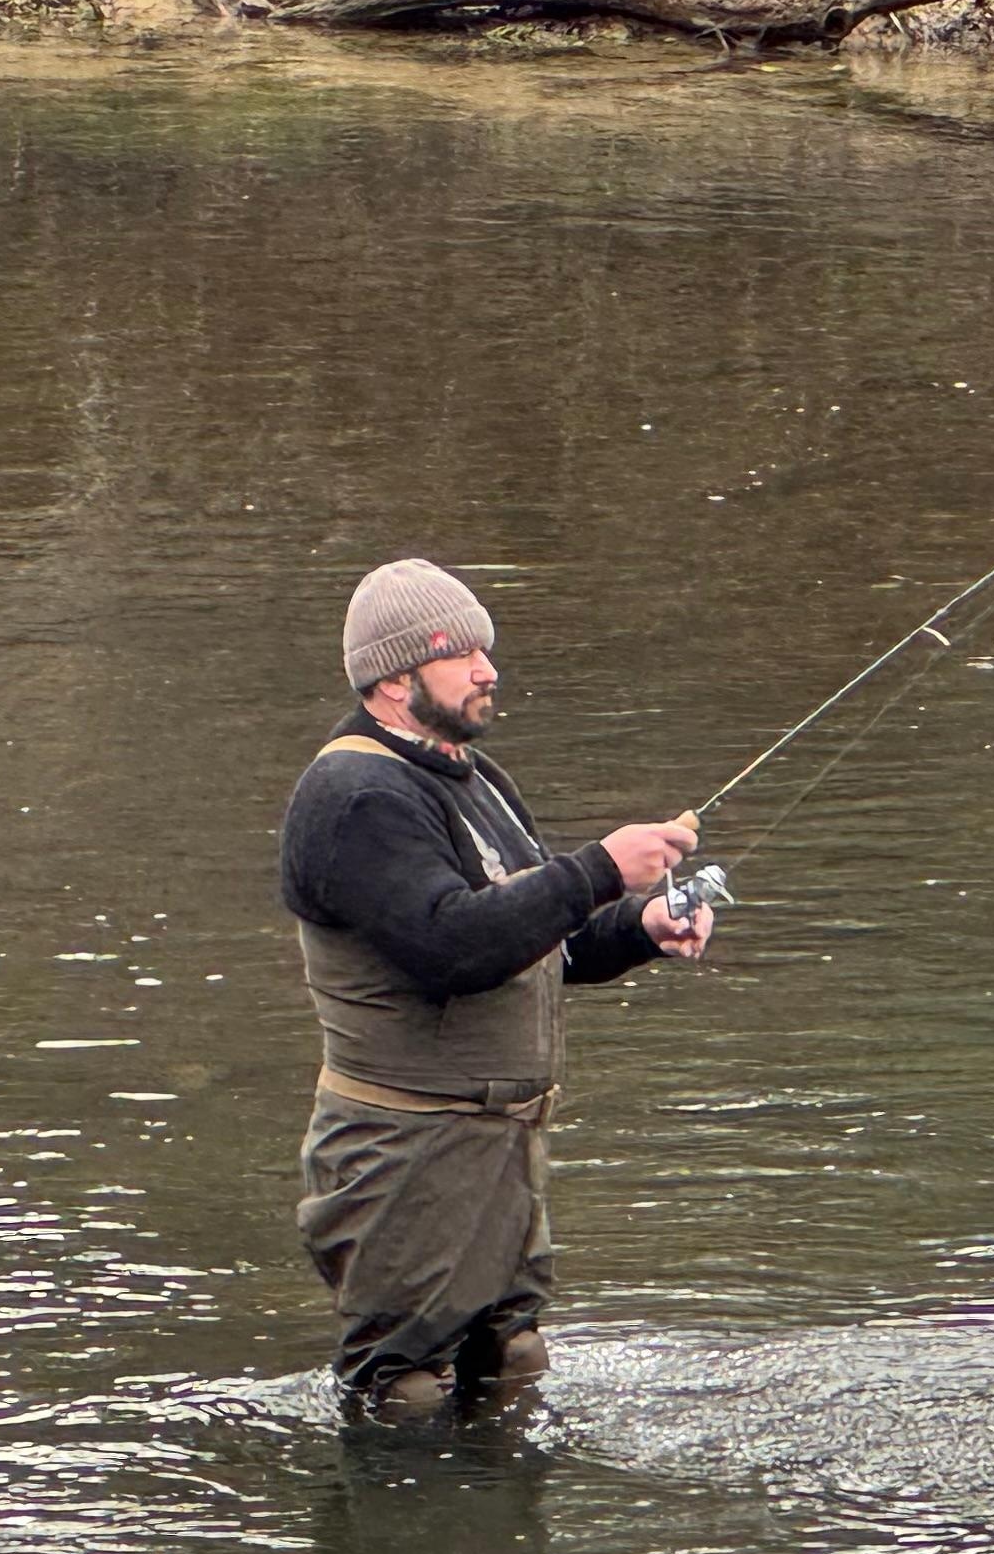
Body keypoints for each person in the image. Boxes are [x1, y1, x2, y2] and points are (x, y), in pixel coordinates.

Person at [278, 558, 712, 1422]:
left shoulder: (472, 777)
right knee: (399, 1392)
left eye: (488, 649)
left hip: (500, 1151)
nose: (489, 670)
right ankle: (395, 1552)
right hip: (403, 1154)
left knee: (510, 1362)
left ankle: (499, 1547)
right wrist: (596, 870)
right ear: (395, 679)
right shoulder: (355, 795)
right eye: (463, 655)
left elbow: (537, 940)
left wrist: (640, 927)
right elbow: (450, 948)